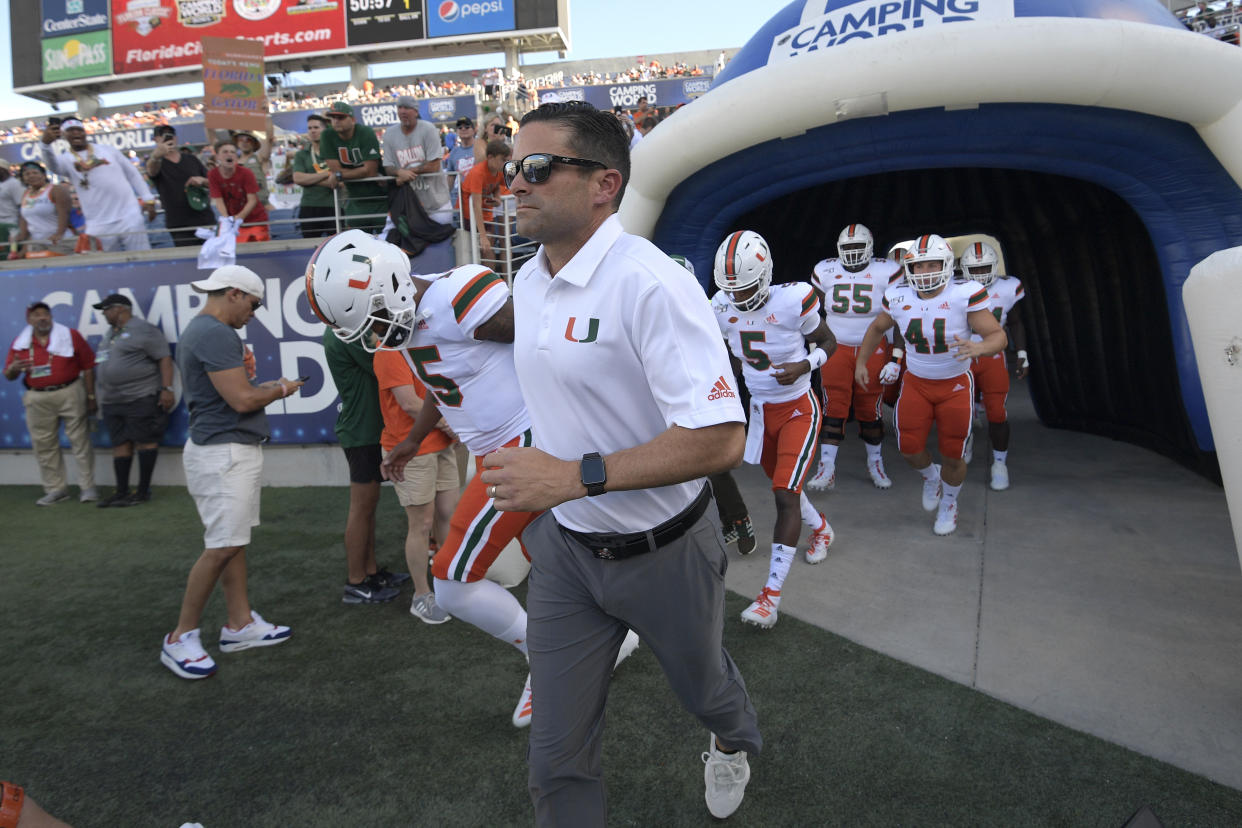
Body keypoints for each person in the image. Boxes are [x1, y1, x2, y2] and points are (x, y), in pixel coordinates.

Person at [483, 101, 760, 822]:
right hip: (566, 552)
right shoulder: (529, 280)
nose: (515, 183)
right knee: (555, 756)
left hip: (667, 551)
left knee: (707, 692)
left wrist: (572, 477)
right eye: (513, 169)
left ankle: (731, 742)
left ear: (605, 184)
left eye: (538, 169)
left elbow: (721, 439)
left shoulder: (651, 283)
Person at [308, 234, 600, 729]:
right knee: (560, 556)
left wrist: (570, 426)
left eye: (375, 321)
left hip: (523, 445)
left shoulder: (457, 295)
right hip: (498, 450)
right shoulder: (418, 320)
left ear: (393, 285)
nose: (377, 337)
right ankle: (613, 641)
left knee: (451, 583)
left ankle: (548, 662)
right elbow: (446, 386)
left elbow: (544, 341)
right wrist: (411, 439)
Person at [160, 266, 301, 680]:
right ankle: (180, 637)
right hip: (222, 452)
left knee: (233, 542)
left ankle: (239, 624)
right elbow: (241, 400)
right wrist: (281, 388)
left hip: (225, 449)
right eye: (254, 305)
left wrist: (258, 384)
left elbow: (234, 394)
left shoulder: (207, 331)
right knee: (222, 545)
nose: (253, 314)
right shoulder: (215, 333)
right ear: (235, 294)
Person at [711, 230, 837, 628]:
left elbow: (828, 342)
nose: (739, 297)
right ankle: (822, 531)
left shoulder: (794, 299)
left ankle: (769, 597)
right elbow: (733, 360)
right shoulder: (720, 305)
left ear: (764, 274)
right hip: (761, 413)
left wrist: (805, 365)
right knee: (788, 489)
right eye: (731, 289)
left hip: (799, 408)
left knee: (785, 493)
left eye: (745, 287)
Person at [854, 234, 1007, 536]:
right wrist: (861, 362)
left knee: (953, 453)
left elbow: (997, 335)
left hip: (954, 385)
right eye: (918, 266)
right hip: (917, 382)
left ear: (947, 265)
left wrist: (981, 348)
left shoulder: (964, 293)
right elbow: (877, 327)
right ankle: (931, 478)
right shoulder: (899, 295)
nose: (924, 272)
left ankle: (949, 502)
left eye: (931, 265)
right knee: (908, 447)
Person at [669, 253, 757, 556]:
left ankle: (738, 518)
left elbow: (731, 351)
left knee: (711, 462)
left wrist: (722, 385)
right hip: (669, 392)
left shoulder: (710, 309)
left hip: (703, 390)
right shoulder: (650, 306)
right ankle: (719, 522)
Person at [807, 223, 903, 491]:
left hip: (872, 348)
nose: (852, 252)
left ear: (870, 248)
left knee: (869, 407)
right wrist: (816, 344)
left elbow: (898, 317)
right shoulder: (825, 271)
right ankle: (827, 468)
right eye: (847, 247)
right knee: (833, 406)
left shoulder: (887, 271)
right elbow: (815, 312)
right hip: (837, 347)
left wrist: (896, 357)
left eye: (857, 247)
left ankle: (876, 462)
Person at [320, 326, 409, 605]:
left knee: (368, 508)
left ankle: (370, 572)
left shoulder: (347, 329)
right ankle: (356, 581)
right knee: (362, 508)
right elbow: (385, 364)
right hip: (362, 432)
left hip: (366, 430)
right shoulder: (344, 332)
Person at [373, 346, 458, 623]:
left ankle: (450, 587)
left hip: (441, 444)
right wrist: (449, 423)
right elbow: (409, 403)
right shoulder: (387, 349)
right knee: (421, 524)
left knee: (448, 516)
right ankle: (421, 595)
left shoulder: (422, 340)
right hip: (410, 448)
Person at [3, 302, 97, 505]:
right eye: (37, 315)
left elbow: (88, 366)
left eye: (46, 313)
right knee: (44, 445)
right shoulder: (20, 343)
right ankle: (56, 489)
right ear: (29, 320)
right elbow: (9, 376)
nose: (42, 318)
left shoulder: (70, 335)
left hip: (70, 391)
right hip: (37, 397)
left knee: (80, 441)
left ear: (51, 317)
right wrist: (14, 368)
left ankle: (87, 488)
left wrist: (91, 396)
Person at [91, 293, 174, 507]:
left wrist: (167, 388)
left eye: (106, 309)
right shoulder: (110, 333)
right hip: (112, 400)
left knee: (145, 441)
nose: (104, 314)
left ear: (121, 309)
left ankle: (143, 492)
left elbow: (164, 357)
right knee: (120, 444)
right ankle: (121, 492)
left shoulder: (143, 329)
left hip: (140, 396)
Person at [958, 241, 1028, 491]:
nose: (979, 274)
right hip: (963, 353)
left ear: (995, 266)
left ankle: (1000, 463)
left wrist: (1021, 353)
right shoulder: (954, 287)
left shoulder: (1009, 286)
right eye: (974, 270)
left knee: (997, 412)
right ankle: (965, 440)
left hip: (992, 355)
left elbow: (1016, 322)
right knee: (959, 411)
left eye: (984, 268)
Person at [38, 118, 155, 252]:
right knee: (106, 265)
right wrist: (45, 145)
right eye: (70, 131)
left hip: (129, 216)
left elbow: (132, 173)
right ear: (63, 135)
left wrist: (148, 198)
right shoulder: (65, 159)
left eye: (79, 130)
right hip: (98, 223)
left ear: (85, 132)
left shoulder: (108, 150)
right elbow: (52, 166)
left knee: (141, 257)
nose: (76, 133)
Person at [382, 95, 452, 224]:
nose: (402, 111)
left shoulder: (428, 129)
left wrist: (406, 173)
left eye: (407, 108)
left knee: (442, 240)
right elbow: (387, 166)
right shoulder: (390, 134)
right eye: (400, 107)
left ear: (415, 111)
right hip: (408, 204)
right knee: (392, 239)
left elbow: (434, 166)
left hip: (437, 202)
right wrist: (399, 173)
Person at [320, 101, 387, 233]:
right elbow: (335, 169)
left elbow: (371, 171)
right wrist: (343, 173)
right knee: (356, 245)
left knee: (386, 242)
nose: (336, 121)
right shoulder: (327, 135)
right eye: (333, 118)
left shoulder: (365, 132)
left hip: (381, 197)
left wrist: (340, 175)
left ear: (352, 120)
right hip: (354, 198)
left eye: (341, 117)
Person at [145, 124, 214, 247]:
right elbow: (152, 171)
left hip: (204, 219)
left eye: (170, 135)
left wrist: (202, 180)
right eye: (163, 136)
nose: (168, 138)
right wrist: (156, 156)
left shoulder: (191, 159)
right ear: (156, 140)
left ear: (176, 138)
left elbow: (213, 183)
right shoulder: (156, 162)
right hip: (179, 224)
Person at [460, 140, 512, 263]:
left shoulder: (498, 171)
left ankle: (491, 280)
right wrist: (483, 236)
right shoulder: (478, 173)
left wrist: (497, 196)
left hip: (486, 215)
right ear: (490, 157)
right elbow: (476, 205)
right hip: (470, 218)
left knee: (489, 249)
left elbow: (498, 185)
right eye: (503, 159)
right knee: (484, 250)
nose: (505, 163)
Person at [207, 141, 269, 243]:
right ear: (217, 156)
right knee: (237, 252)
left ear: (236, 156)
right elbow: (219, 201)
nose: (229, 154)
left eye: (232, 152)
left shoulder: (246, 173)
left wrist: (238, 218)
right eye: (225, 152)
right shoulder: (212, 175)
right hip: (233, 222)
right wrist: (227, 220)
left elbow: (252, 200)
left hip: (256, 220)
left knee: (260, 251)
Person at [9, 162, 73, 257]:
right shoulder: (26, 193)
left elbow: (64, 213)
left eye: (35, 173)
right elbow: (24, 217)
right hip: (37, 242)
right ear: (23, 179)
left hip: (58, 241)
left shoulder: (56, 190)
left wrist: (59, 234)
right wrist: (21, 235)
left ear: (43, 175)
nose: (31, 176)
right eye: (27, 174)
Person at [291, 115, 339, 238]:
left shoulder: (335, 151)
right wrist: (326, 174)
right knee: (309, 247)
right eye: (310, 128)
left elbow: (338, 182)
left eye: (316, 127)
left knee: (338, 247)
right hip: (309, 206)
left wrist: (308, 180)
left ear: (325, 130)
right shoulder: (302, 154)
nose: (312, 131)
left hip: (333, 206)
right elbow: (297, 178)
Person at [445, 117, 477, 216]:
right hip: (459, 198)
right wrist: (446, 195)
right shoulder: (454, 152)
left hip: (478, 196)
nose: (463, 129)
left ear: (473, 130)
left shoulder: (480, 147)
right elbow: (450, 176)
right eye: (460, 127)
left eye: (467, 127)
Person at [0, 164, 23, 248]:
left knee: (12, 250)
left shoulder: (15, 183)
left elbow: (22, 206)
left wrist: (21, 227)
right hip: (1, 224)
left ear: (5, 170)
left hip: (12, 223)